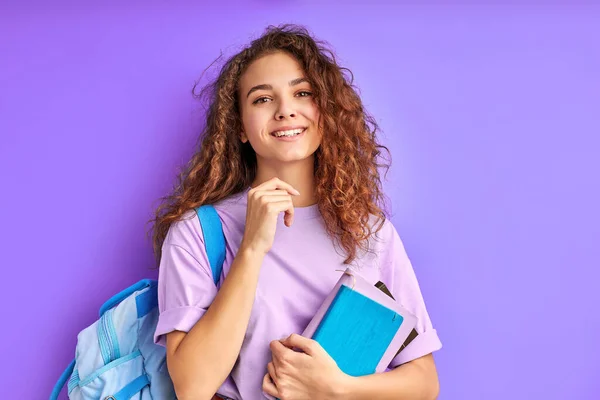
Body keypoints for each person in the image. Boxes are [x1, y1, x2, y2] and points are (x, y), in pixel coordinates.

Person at [149, 24, 442, 400]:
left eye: (302, 93)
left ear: (326, 114)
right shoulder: (199, 232)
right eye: (262, 99)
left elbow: (424, 382)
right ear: (239, 126)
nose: (286, 111)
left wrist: (336, 388)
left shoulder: (371, 231)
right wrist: (251, 248)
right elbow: (192, 387)